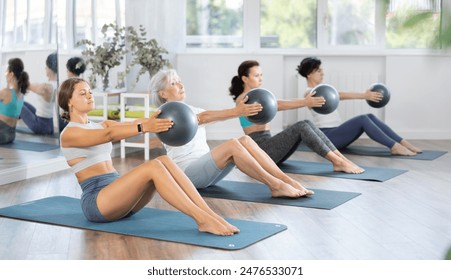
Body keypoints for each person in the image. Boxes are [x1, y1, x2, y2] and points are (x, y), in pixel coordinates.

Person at [58, 77, 238, 236]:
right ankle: (202, 220)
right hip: (98, 202)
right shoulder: (69, 134)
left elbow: (133, 123)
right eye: (83, 93)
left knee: (165, 160)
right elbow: (110, 136)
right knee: (153, 166)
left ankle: (211, 215)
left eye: (90, 92)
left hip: (122, 198)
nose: (90, 96)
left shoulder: (102, 124)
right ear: (69, 102)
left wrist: (153, 121)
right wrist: (144, 128)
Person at [149, 69, 314, 197]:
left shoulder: (191, 109)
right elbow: (203, 118)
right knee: (233, 145)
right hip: (188, 175)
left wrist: (242, 110)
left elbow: (212, 116)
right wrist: (238, 111)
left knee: (245, 140)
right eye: (173, 84)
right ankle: (276, 186)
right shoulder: (163, 115)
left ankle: (286, 180)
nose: (181, 86)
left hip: (207, 171)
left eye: (179, 82)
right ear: (162, 93)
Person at [229, 60, 364, 174]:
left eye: (261, 75)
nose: (261, 78)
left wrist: (305, 102)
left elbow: (277, 103)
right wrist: (305, 102)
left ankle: (341, 159)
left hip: (268, 148)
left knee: (307, 123)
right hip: (260, 151)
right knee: (301, 126)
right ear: (245, 79)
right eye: (256, 75)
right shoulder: (244, 99)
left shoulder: (257, 95)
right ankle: (337, 161)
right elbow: (278, 104)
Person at [297, 56, 422, 156]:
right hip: (328, 137)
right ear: (309, 74)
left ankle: (403, 143)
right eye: (318, 70)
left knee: (369, 116)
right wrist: (364, 95)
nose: (322, 73)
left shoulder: (321, 89)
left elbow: (337, 95)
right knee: (362, 119)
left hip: (335, 132)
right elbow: (339, 95)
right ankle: (395, 147)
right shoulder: (309, 93)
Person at [20, 52, 58, 135]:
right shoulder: (56, 84)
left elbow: (29, 86)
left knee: (17, 104)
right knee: (22, 102)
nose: (45, 68)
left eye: (46, 67)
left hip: (40, 125)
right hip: (49, 124)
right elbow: (35, 86)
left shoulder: (47, 87)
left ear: (49, 68)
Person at [0, 58, 30, 144]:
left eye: (6, 72)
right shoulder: (21, 94)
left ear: (11, 74)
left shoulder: (5, 93)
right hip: (11, 136)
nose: (5, 75)